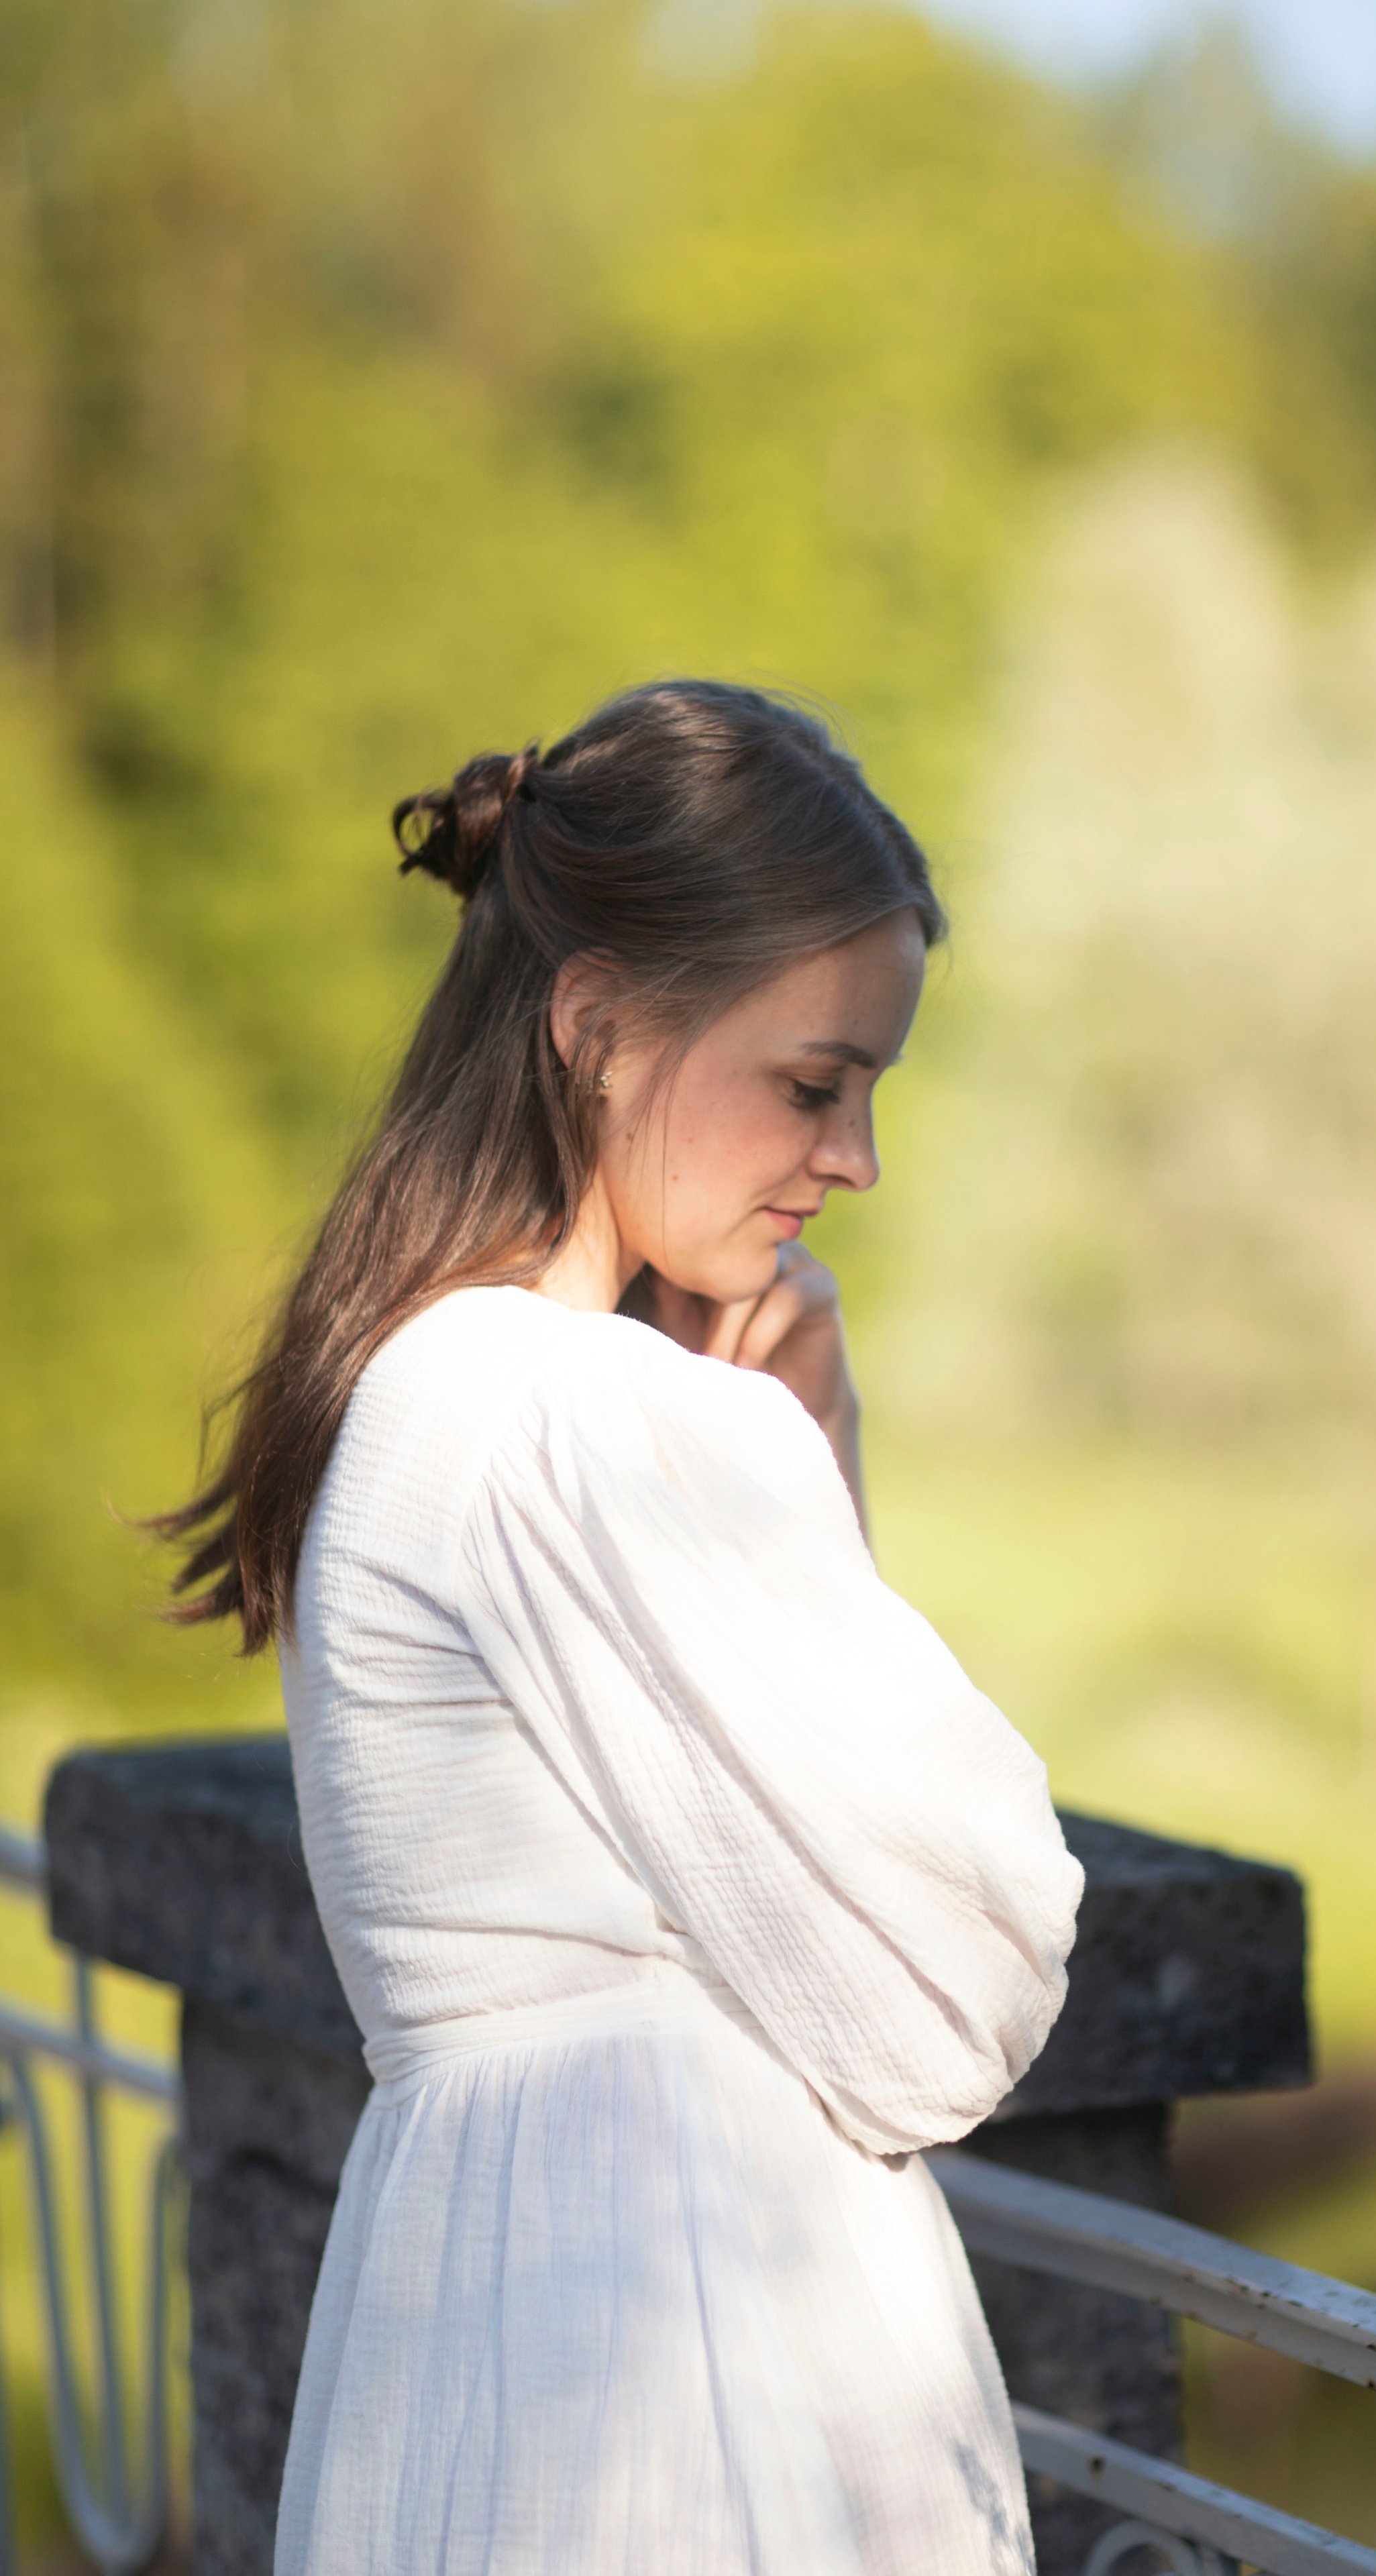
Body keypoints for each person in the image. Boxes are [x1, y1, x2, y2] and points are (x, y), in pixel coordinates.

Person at [160, 680, 1083, 2576]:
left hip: (493, 2328)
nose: (856, 1159)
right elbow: (956, 1984)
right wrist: (801, 1458)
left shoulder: (420, 1386)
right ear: (595, 1026)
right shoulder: (577, 1417)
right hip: (678, 2377)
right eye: (814, 1083)